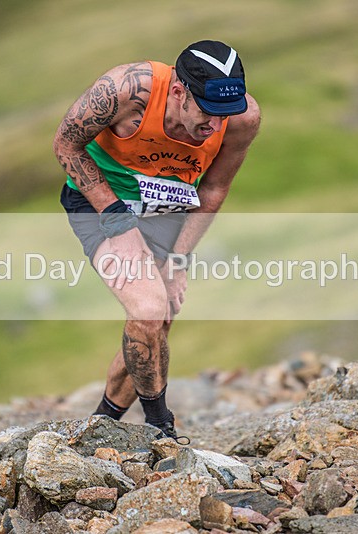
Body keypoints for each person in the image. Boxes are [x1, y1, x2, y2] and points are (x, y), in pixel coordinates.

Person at [53, 40, 261, 440]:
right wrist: (119, 224)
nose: (216, 126)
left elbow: (214, 189)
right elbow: (66, 144)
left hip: (168, 206)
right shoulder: (125, 90)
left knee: (155, 321)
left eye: (225, 114)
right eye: (208, 112)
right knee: (148, 309)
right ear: (179, 91)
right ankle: (161, 428)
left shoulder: (243, 119)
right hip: (101, 200)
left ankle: (101, 425)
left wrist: (178, 261)